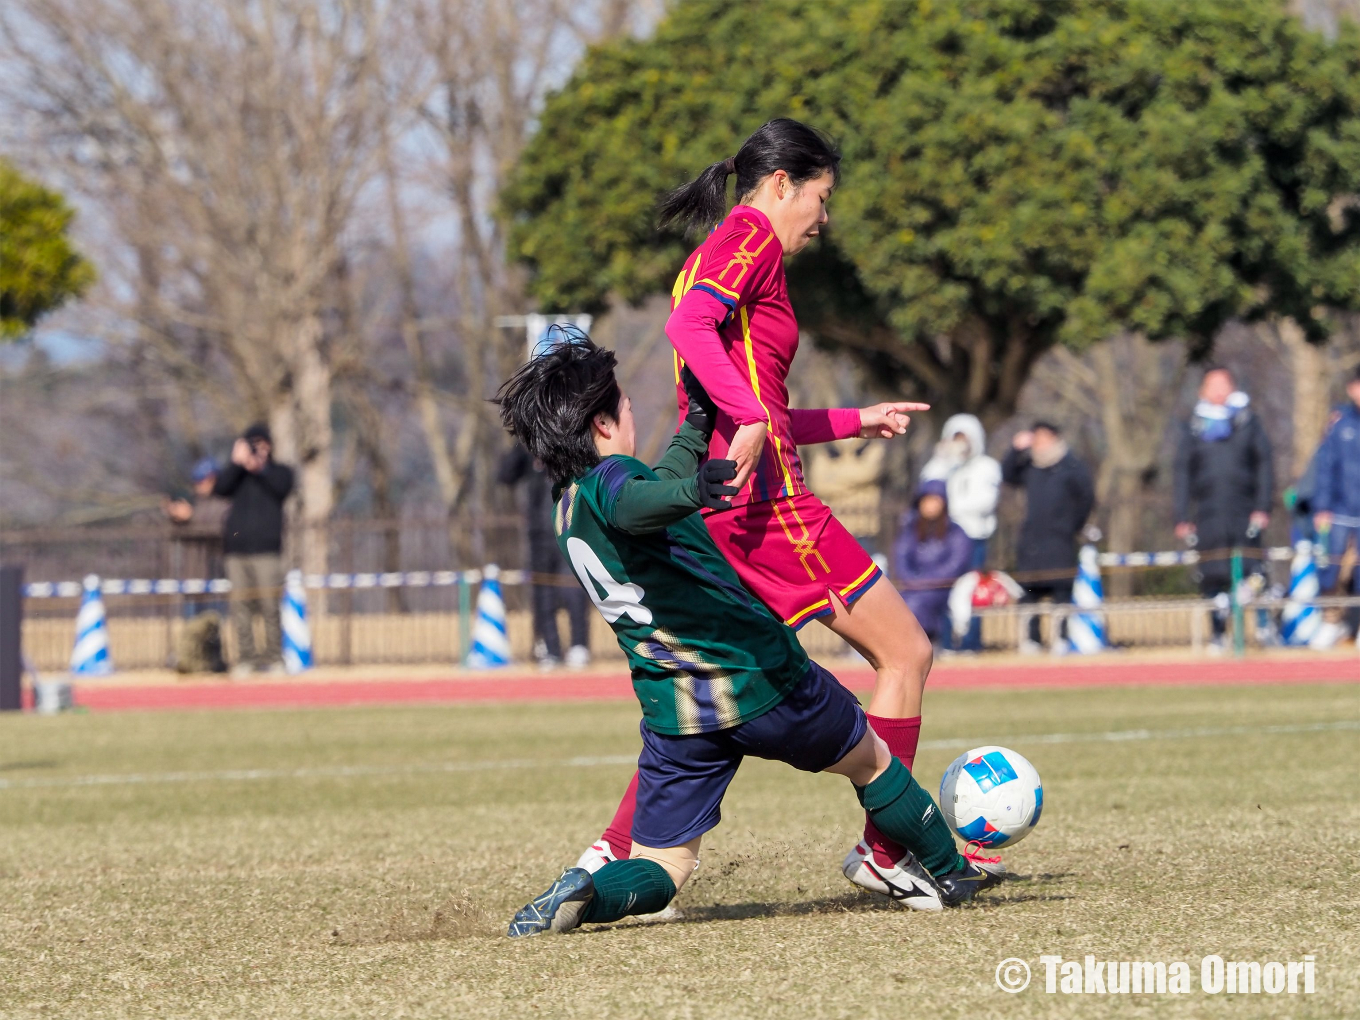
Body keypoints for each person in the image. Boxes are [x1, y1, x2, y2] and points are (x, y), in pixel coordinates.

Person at [495, 339, 1000, 937]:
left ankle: (586, 896)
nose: (632, 413)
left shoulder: (568, 507)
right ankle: (950, 871)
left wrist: (699, 420)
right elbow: (642, 500)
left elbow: (649, 492)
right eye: (626, 405)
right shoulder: (616, 484)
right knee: (873, 760)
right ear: (602, 421)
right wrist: (693, 491)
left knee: (664, 866)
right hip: (761, 680)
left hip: (676, 714)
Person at [580, 118, 951, 904]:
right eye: (820, 197)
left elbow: (751, 405)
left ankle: (608, 858)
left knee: (720, 697)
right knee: (907, 655)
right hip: (770, 510)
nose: (824, 217)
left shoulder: (718, 255)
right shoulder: (750, 236)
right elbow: (696, 338)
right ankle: (891, 846)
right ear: (782, 184)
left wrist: (854, 420)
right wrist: (752, 415)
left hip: (726, 508)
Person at [1173, 367, 1273, 649]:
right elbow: (1182, 472)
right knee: (1213, 577)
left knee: (1254, 573)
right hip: (1207, 513)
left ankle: (1264, 631)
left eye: (1223, 384)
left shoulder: (1248, 422)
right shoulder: (1193, 426)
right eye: (1212, 385)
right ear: (1202, 391)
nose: (1218, 391)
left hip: (1244, 511)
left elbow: (1264, 465)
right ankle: (1217, 634)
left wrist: (1263, 506)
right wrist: (1181, 515)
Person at [1001, 421, 1095, 652]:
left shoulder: (1072, 466)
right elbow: (1007, 474)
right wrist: (1016, 449)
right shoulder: (1030, 466)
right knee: (1030, 593)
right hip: (1032, 542)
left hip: (1060, 540)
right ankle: (1032, 639)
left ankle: (1061, 639)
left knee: (1061, 592)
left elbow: (1087, 497)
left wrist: (1072, 525)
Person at [498, 444, 592, 670]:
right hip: (538, 533)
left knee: (573, 590)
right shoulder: (527, 447)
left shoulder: (571, 441)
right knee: (543, 594)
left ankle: (579, 646)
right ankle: (551, 649)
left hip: (570, 527)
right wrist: (520, 444)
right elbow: (505, 476)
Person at [213, 423, 295, 676]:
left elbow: (283, 488)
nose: (256, 448)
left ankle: (274, 657)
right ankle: (246, 659)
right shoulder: (238, 476)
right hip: (237, 551)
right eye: (251, 443)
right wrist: (237, 463)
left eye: (261, 443)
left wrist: (261, 468)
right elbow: (220, 489)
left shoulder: (280, 472)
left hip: (267, 551)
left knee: (270, 606)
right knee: (240, 608)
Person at [920, 413, 1001, 650]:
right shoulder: (940, 466)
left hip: (974, 537)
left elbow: (986, 501)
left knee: (971, 591)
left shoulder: (987, 467)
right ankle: (945, 642)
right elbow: (927, 490)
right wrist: (943, 460)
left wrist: (950, 508)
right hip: (943, 538)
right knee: (943, 590)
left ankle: (970, 643)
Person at [892, 480, 974, 647]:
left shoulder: (955, 532)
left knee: (916, 604)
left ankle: (923, 644)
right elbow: (901, 559)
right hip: (912, 587)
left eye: (936, 500)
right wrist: (913, 581)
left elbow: (956, 564)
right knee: (895, 602)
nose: (931, 505)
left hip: (942, 588)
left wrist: (928, 581)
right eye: (927, 500)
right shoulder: (910, 530)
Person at [1311, 365, 1360, 633]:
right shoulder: (1340, 424)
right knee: (1331, 567)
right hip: (1340, 511)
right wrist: (1323, 507)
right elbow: (1325, 468)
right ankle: (1330, 621)